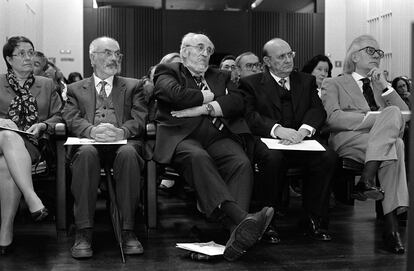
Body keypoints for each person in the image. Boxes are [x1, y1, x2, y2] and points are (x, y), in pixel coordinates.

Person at [153, 32, 274, 261]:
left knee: (240, 162)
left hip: (218, 136)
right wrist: (211, 97)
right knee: (198, 157)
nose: (205, 54)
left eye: (209, 50)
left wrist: (203, 108)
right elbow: (172, 94)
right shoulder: (169, 70)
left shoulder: (222, 75)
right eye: (200, 48)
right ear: (184, 50)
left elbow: (237, 102)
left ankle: (235, 235)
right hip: (183, 137)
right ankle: (240, 218)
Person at [239, 38, 337, 242]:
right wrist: (278, 130)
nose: (287, 60)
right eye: (281, 56)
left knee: (328, 157)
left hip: (301, 140)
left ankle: (313, 219)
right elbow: (250, 116)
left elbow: (317, 110)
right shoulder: (251, 83)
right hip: (270, 141)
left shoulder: (305, 81)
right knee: (271, 159)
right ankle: (267, 223)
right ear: (267, 61)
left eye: (289, 54)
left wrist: (303, 131)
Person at [321, 35, 409, 254]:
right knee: (395, 143)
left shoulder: (381, 86)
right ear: (355, 55)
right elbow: (332, 118)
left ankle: (367, 180)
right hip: (350, 139)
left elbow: (406, 115)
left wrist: (386, 87)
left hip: (379, 142)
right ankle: (391, 226)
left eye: (379, 53)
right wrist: (371, 118)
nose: (377, 57)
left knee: (396, 143)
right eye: (372, 51)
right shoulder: (334, 83)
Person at [62, 36, 147, 259]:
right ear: (92, 57)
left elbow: (140, 118)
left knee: (129, 153)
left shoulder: (133, 85)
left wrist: (122, 132)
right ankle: (84, 231)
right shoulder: (75, 89)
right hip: (88, 143)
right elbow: (70, 117)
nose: (114, 58)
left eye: (117, 54)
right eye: (107, 53)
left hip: (122, 143)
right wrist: (91, 131)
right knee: (87, 154)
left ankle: (128, 230)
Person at [0, 36, 62, 255]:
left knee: (5, 165)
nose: (28, 57)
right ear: (9, 59)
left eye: (31, 52)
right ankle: (32, 197)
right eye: (22, 53)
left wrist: (44, 125)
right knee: (7, 135)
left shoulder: (46, 84)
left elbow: (60, 115)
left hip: (34, 143)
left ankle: (6, 229)